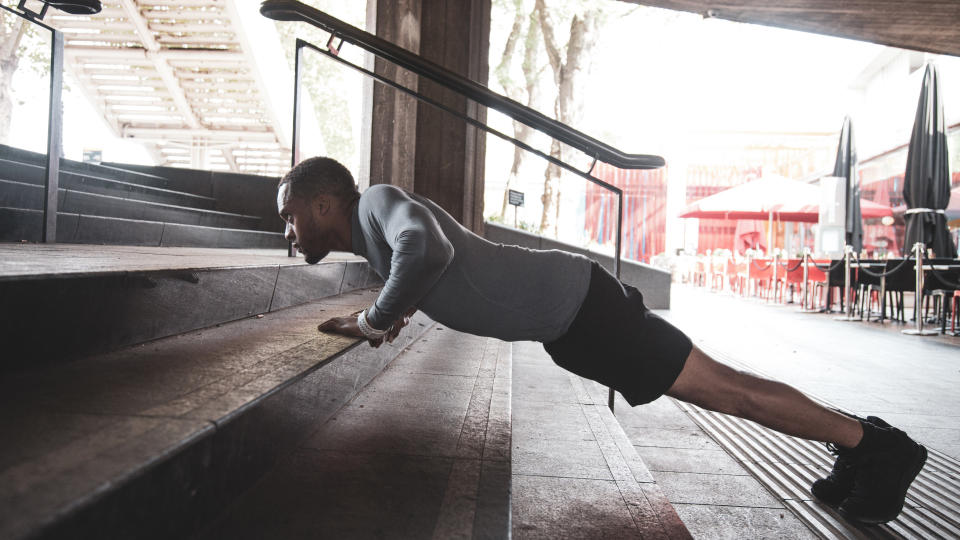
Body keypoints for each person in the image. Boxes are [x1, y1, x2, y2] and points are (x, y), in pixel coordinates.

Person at [277, 156, 927, 525]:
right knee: (723, 390)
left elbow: (429, 245)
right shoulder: (370, 235)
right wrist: (393, 310)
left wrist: (373, 321)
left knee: (726, 391)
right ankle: (860, 445)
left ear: (326, 204)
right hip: (570, 321)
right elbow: (442, 269)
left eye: (290, 215)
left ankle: (877, 447)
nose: (288, 231)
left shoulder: (375, 203)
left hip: (582, 310)